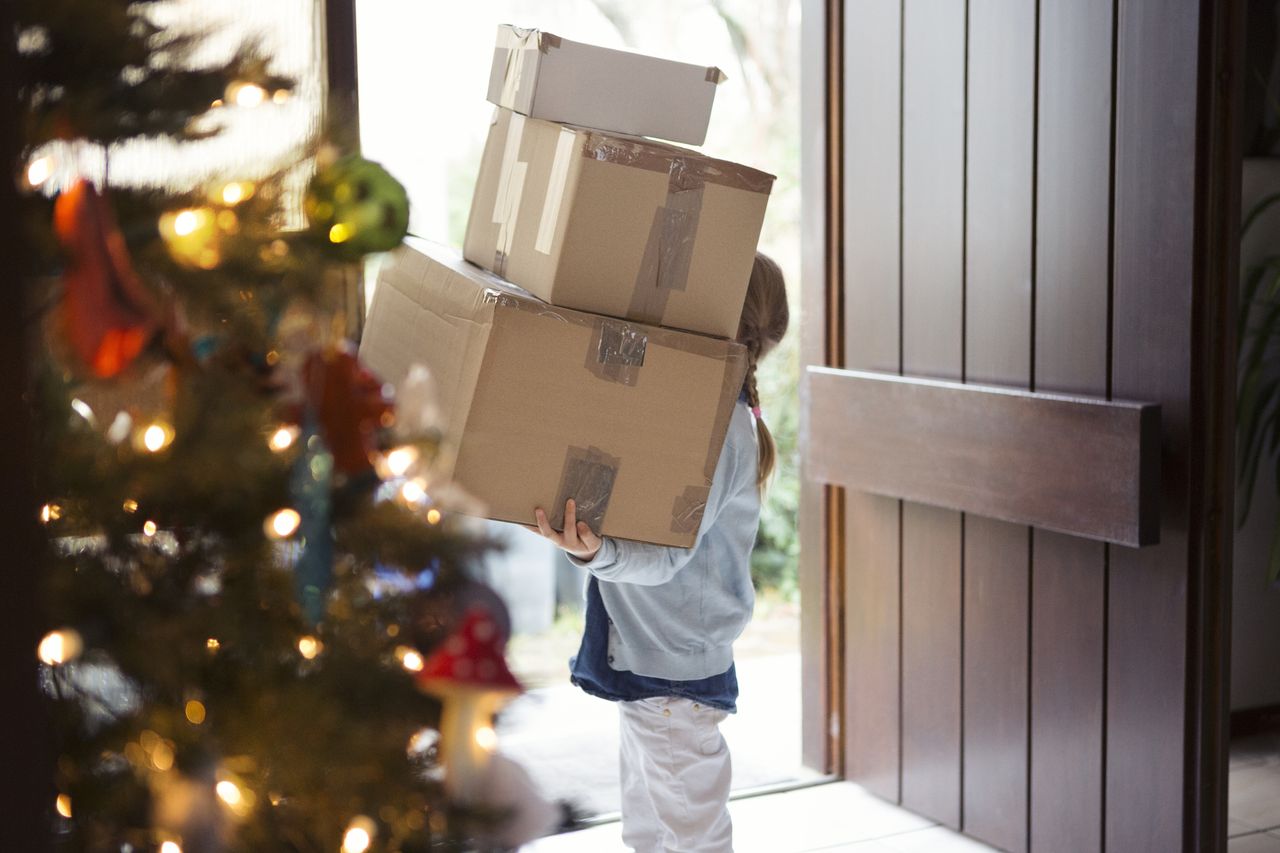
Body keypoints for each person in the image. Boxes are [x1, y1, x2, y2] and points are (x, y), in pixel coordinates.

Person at [527, 252, 790, 853]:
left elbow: (667, 556)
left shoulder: (721, 429)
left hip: (672, 673)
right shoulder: (703, 411)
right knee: (648, 829)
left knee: (691, 837)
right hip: (654, 657)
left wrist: (597, 554)